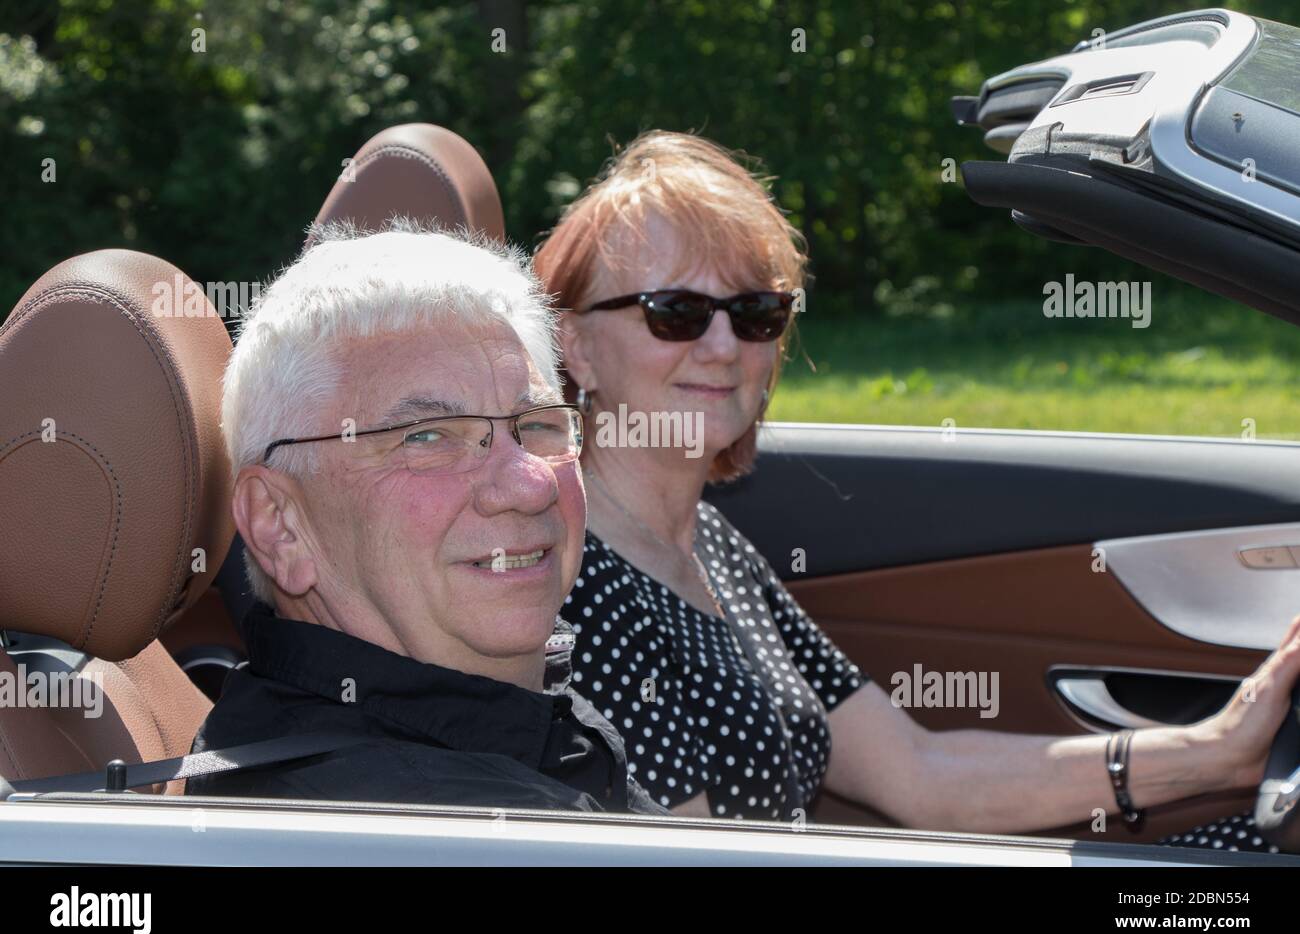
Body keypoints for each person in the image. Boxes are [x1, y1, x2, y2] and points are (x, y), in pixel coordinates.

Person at [532, 130, 1300, 848]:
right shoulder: (579, 590)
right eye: (678, 313)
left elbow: (921, 777)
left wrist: (1215, 751)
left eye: (757, 312)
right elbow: (694, 864)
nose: (725, 346)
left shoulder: (708, 544)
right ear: (577, 346)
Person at [187, 220, 665, 815]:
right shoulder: (414, 834)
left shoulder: (501, 739)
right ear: (279, 525)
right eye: (427, 436)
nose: (530, 482)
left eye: (539, 424)